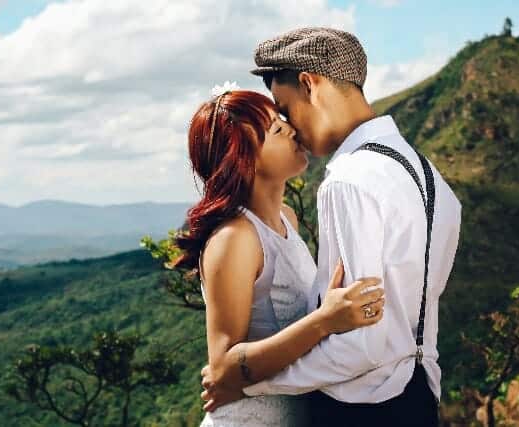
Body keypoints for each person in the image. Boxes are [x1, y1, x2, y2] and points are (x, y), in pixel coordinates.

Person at [201, 27, 462, 426]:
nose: (290, 126)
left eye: (284, 109)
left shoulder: (347, 181)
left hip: (362, 407)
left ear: (310, 86)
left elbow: (361, 345)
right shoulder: (428, 176)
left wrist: (248, 383)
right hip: (418, 393)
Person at [174, 89, 386, 427]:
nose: (290, 130)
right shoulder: (236, 238)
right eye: (275, 129)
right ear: (245, 159)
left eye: (282, 121)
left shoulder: (288, 217)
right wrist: (325, 321)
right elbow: (223, 368)